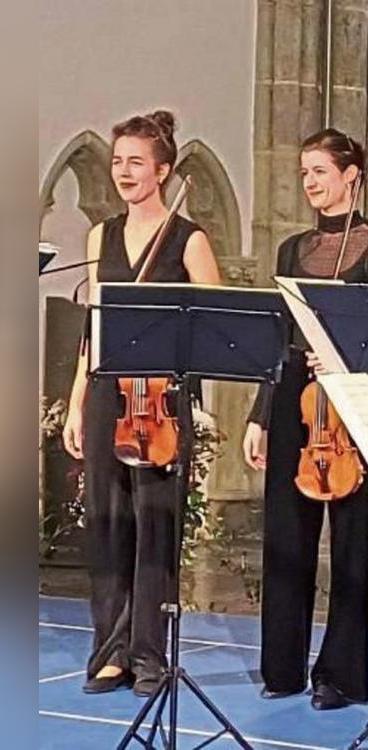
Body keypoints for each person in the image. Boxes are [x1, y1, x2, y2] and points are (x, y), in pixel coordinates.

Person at [242, 128, 368, 710]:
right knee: (287, 539)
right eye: (305, 172)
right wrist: (261, 415)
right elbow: (277, 338)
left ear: (351, 174)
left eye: (320, 172)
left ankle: (339, 674)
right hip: (294, 400)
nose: (310, 183)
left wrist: (345, 356)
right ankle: (282, 668)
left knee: (350, 545)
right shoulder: (291, 250)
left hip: (353, 407)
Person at [62, 110, 221, 697]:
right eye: (118, 160)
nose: (124, 171)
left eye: (136, 162)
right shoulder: (99, 236)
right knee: (107, 525)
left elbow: (215, 327)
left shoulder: (189, 238)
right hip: (107, 394)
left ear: (163, 171)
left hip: (161, 400)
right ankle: (110, 652)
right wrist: (77, 403)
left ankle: (150, 656)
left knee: (155, 529)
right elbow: (91, 331)